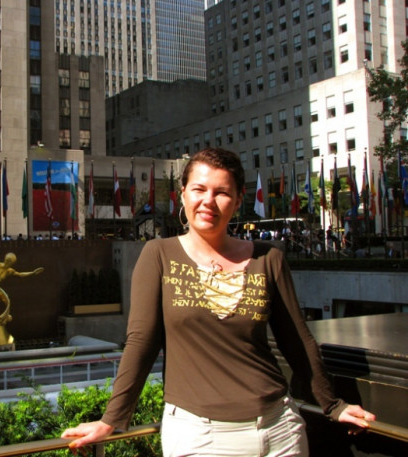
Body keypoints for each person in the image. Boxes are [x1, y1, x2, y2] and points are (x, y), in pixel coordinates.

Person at [61, 148, 375, 456]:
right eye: (199, 189)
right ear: (183, 194)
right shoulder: (159, 254)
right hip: (199, 435)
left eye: (222, 192)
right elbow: (142, 341)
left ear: (238, 200)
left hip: (280, 430)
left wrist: (333, 405)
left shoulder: (268, 258)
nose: (208, 201)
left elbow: (297, 340)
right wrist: (112, 420)